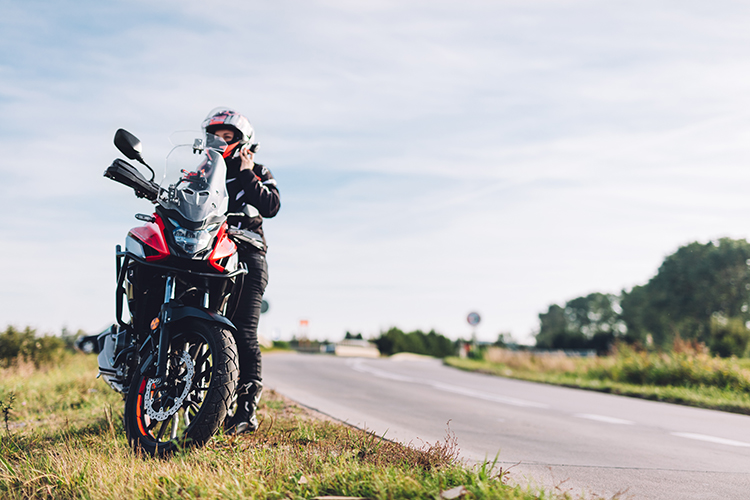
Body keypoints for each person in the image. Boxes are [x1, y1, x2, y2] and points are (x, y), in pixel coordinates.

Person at [201, 107, 280, 434]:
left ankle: (246, 410)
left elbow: (271, 207)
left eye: (227, 136)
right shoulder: (203, 174)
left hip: (248, 254)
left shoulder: (257, 169)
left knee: (243, 330)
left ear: (241, 140)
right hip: (207, 254)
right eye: (214, 135)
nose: (219, 140)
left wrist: (247, 173)